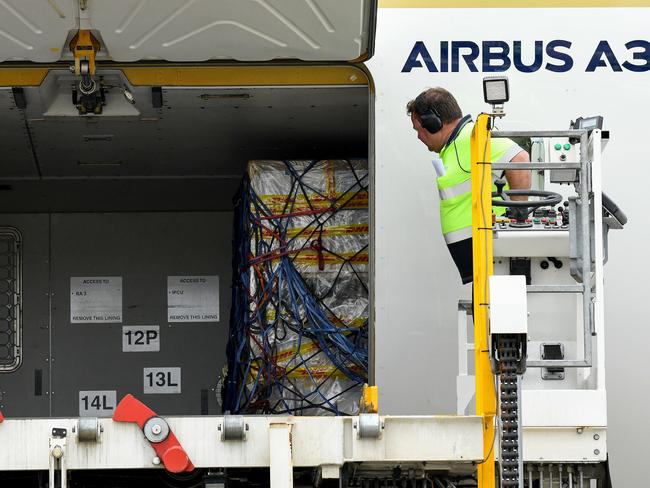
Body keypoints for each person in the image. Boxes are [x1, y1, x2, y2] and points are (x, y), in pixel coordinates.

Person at [407, 87, 531, 284]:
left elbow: (520, 157)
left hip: (490, 257)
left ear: (433, 122)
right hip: (482, 261)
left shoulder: (468, 139)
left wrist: (519, 214)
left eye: (418, 128)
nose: (418, 136)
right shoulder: (455, 145)